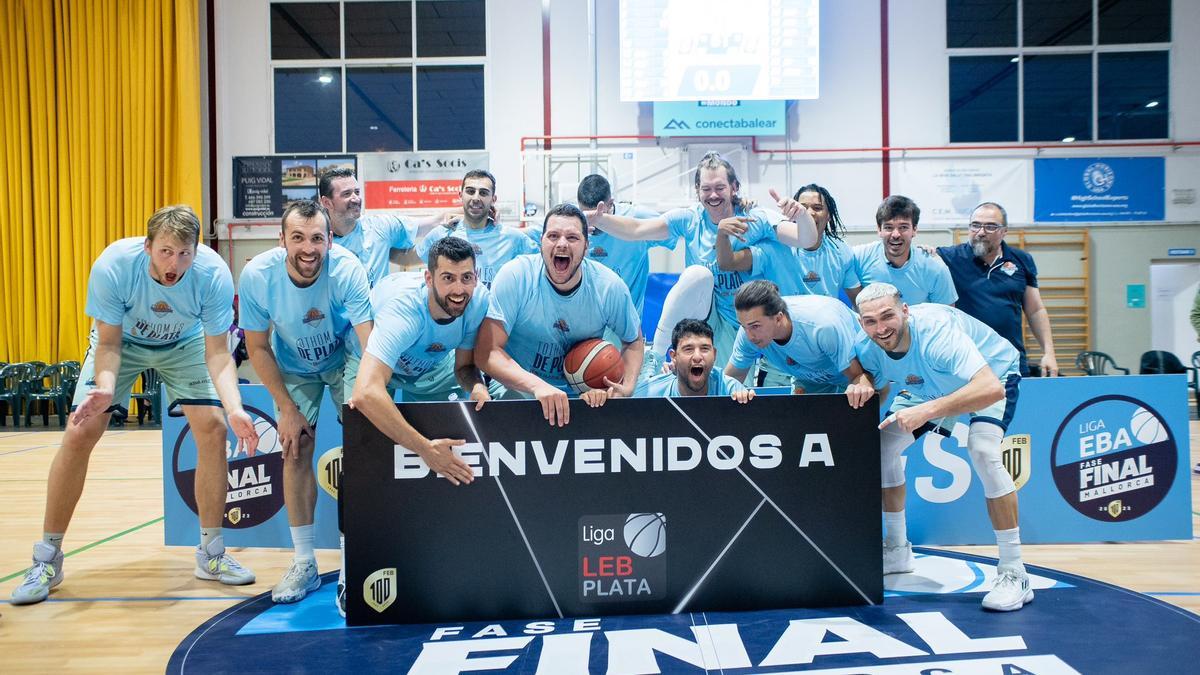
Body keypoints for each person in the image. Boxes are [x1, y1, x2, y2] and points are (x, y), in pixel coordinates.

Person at [12, 205, 260, 605]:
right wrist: (106, 389)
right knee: (80, 431)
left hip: (184, 345)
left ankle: (211, 554)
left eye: (184, 253)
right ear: (147, 246)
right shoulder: (114, 266)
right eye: (165, 251)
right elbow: (108, 343)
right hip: (123, 344)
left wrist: (234, 407)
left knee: (214, 427)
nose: (174, 263)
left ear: (196, 251)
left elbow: (218, 354)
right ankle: (47, 557)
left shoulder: (212, 274)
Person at [852, 282, 1030, 611]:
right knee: (879, 450)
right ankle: (896, 548)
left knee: (983, 451)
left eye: (888, 316)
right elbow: (876, 386)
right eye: (870, 321)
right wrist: (861, 383)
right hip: (927, 386)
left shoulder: (937, 334)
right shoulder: (866, 346)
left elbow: (990, 388)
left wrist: (929, 410)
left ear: (905, 310)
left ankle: (1014, 571)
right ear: (861, 322)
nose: (881, 327)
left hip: (990, 376)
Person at [237, 200, 373, 605]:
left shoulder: (348, 269)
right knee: (295, 448)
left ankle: (356, 561)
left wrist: (366, 404)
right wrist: (286, 408)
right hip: (293, 364)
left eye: (317, 238)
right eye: (297, 238)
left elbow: (369, 341)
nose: (308, 248)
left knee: (364, 447)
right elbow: (257, 347)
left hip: (345, 355)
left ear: (330, 240)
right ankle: (304, 562)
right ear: (282, 240)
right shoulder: (257, 275)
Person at [584, 151, 817, 365]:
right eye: (706, 189)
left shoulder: (756, 218)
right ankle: (656, 355)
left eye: (719, 187)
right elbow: (636, 229)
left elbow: (805, 240)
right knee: (698, 274)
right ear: (697, 191)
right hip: (712, 316)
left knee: (736, 394)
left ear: (734, 187)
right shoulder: (689, 219)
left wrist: (802, 215)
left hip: (749, 319)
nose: (713, 195)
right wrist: (597, 219)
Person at [475, 203, 644, 426]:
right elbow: (487, 353)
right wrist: (537, 386)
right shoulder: (516, 276)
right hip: (519, 390)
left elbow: (633, 340)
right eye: (553, 236)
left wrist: (626, 387)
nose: (562, 244)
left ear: (586, 247)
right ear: (541, 242)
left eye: (572, 238)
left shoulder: (608, 286)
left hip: (582, 395)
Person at [937, 202, 1058, 377]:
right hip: (966, 364)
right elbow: (913, 260)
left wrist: (1049, 353)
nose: (981, 232)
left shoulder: (1021, 260)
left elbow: (1035, 310)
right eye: (975, 225)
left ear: (1004, 231)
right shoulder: (948, 258)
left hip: (1010, 362)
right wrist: (926, 251)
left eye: (990, 226)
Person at [724, 280, 866, 396]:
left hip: (854, 369)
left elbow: (858, 378)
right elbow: (730, 381)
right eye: (743, 326)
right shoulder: (747, 331)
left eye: (755, 326)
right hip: (810, 376)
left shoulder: (822, 327)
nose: (749, 336)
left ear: (778, 318)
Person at [318, 167, 448, 288]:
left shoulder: (379, 226)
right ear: (327, 202)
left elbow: (438, 221)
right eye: (346, 194)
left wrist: (465, 211)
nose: (356, 199)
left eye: (357, 192)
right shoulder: (316, 240)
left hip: (376, 312)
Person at [417, 170, 540, 289]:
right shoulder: (443, 233)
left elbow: (544, 263)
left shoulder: (513, 238)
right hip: (452, 309)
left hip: (494, 311)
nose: (476, 198)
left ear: (493, 199)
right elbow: (409, 258)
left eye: (483, 193)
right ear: (461, 195)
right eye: (470, 191)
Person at [854, 195, 957, 305]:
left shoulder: (935, 267)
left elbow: (947, 315)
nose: (896, 234)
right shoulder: (859, 257)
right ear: (879, 230)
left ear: (914, 230)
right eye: (888, 227)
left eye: (903, 227)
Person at [634, 319, 754, 402]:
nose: (697, 356)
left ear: (714, 354)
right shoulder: (648, 394)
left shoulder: (731, 391)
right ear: (673, 356)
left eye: (705, 348)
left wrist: (748, 404)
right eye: (688, 349)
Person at [792, 184, 862, 302]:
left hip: (827, 318)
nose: (809, 213)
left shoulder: (841, 251)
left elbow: (859, 301)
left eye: (817, 208)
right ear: (793, 213)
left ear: (828, 215)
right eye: (803, 208)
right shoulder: (779, 247)